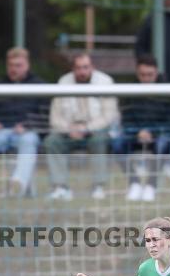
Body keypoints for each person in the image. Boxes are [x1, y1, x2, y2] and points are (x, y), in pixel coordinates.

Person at [0, 47, 47, 199]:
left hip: (26, 132)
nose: (14, 69)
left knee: (29, 141)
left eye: (18, 65)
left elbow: (46, 114)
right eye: (11, 65)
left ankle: (18, 183)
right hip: (1, 131)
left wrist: (27, 125)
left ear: (27, 65)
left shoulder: (39, 85)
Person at [46, 53, 120, 201]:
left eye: (85, 67)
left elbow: (108, 116)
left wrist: (86, 128)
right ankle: (60, 187)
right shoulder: (63, 82)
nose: (82, 71)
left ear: (92, 67)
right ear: (73, 68)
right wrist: (69, 128)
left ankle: (98, 187)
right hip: (69, 131)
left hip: (95, 130)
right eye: (78, 68)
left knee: (99, 140)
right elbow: (54, 117)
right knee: (51, 141)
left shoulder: (105, 82)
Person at [112, 54, 170, 202]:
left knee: (164, 144)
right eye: (142, 75)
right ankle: (134, 183)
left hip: (158, 136)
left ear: (156, 72)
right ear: (137, 73)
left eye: (150, 75)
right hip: (135, 135)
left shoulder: (169, 90)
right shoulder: (130, 91)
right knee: (117, 144)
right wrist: (138, 132)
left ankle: (151, 185)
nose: (146, 79)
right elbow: (126, 119)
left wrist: (152, 132)